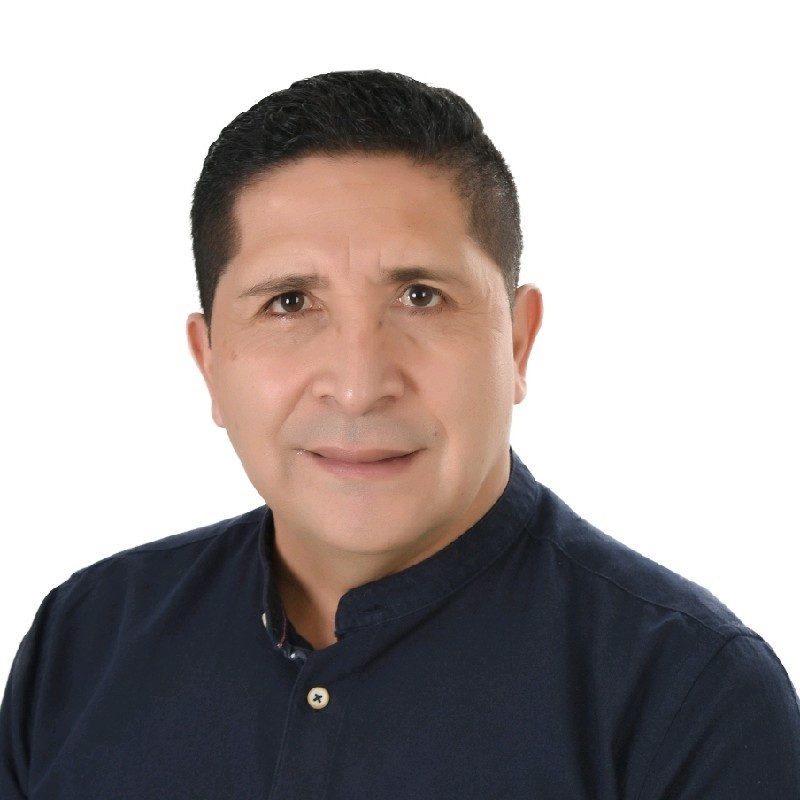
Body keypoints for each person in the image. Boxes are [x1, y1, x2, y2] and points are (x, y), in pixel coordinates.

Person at [1, 70, 798, 799]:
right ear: (208, 361)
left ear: (518, 344)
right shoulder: (83, 644)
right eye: (289, 302)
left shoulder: (692, 703)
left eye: (421, 295)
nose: (358, 384)